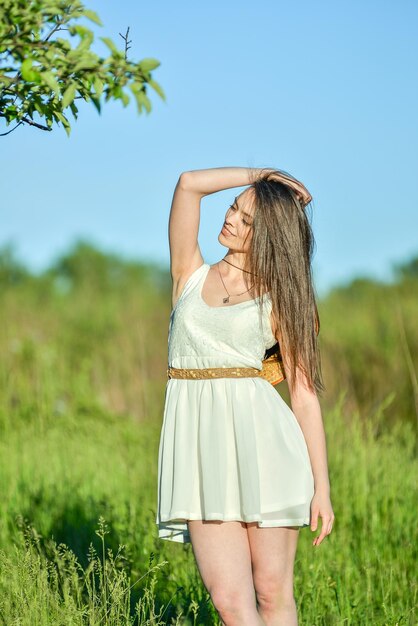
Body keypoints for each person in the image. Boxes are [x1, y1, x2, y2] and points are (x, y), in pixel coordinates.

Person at [155, 166, 335, 626]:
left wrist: (322, 488)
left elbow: (304, 395)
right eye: (235, 207)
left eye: (247, 220)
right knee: (230, 604)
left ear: (269, 237)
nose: (231, 219)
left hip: (268, 450)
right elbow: (188, 183)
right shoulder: (188, 276)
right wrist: (263, 174)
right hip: (200, 456)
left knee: (272, 594)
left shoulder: (282, 297)